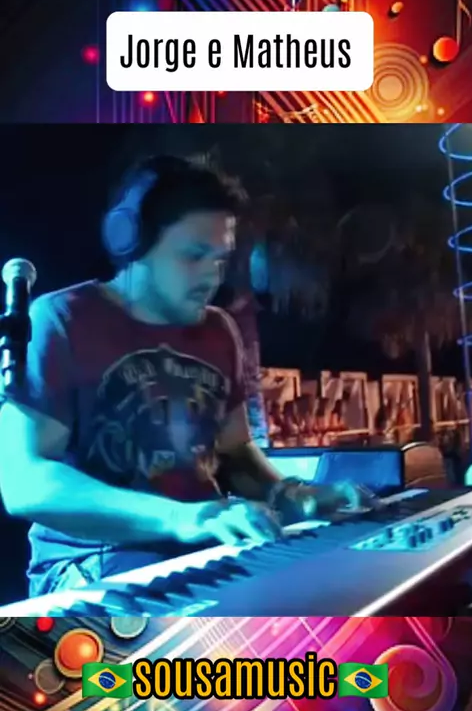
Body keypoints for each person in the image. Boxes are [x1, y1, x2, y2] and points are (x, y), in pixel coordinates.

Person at [0, 154, 377, 598]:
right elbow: (25, 482)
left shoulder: (219, 330)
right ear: (133, 243)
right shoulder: (61, 320)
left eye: (220, 259)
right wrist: (182, 518)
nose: (212, 275)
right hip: (90, 563)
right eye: (193, 255)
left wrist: (292, 494)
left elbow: (235, 453)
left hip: (198, 548)